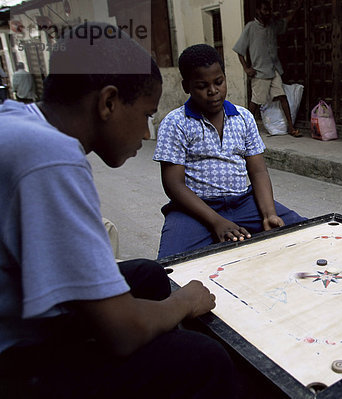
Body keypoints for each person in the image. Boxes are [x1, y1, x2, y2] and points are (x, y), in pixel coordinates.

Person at [0, 22, 236, 398]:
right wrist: (185, 301)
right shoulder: (51, 158)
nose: (146, 134)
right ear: (108, 102)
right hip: (15, 361)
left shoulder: (23, 121)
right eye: (146, 115)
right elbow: (122, 331)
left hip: (21, 315)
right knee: (204, 358)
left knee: (147, 274)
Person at [153, 44, 306, 259]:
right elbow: (174, 185)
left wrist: (269, 213)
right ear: (186, 86)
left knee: (306, 232)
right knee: (170, 265)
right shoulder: (175, 123)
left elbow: (258, 172)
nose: (213, 91)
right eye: (202, 86)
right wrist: (217, 222)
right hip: (194, 209)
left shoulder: (243, 117)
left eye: (218, 82)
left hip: (243, 202)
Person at [233, 0, 302, 137]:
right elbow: (239, 50)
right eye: (265, 10)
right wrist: (246, 69)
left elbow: (285, 21)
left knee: (282, 97)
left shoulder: (272, 27)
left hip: (274, 69)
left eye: (268, 10)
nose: (267, 13)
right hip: (260, 72)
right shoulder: (251, 27)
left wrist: (296, 9)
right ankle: (245, 130)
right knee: (255, 102)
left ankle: (291, 128)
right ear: (258, 11)